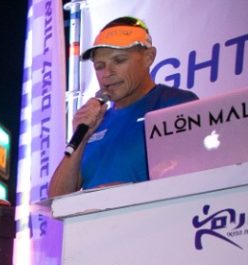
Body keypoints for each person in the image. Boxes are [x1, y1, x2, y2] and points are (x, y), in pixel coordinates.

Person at [49, 18, 197, 197]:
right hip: (95, 216)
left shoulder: (176, 103)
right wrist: (81, 137)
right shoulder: (95, 122)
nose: (107, 73)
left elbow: (196, 177)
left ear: (148, 58)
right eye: (99, 66)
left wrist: (129, 194)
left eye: (119, 60)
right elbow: (57, 198)